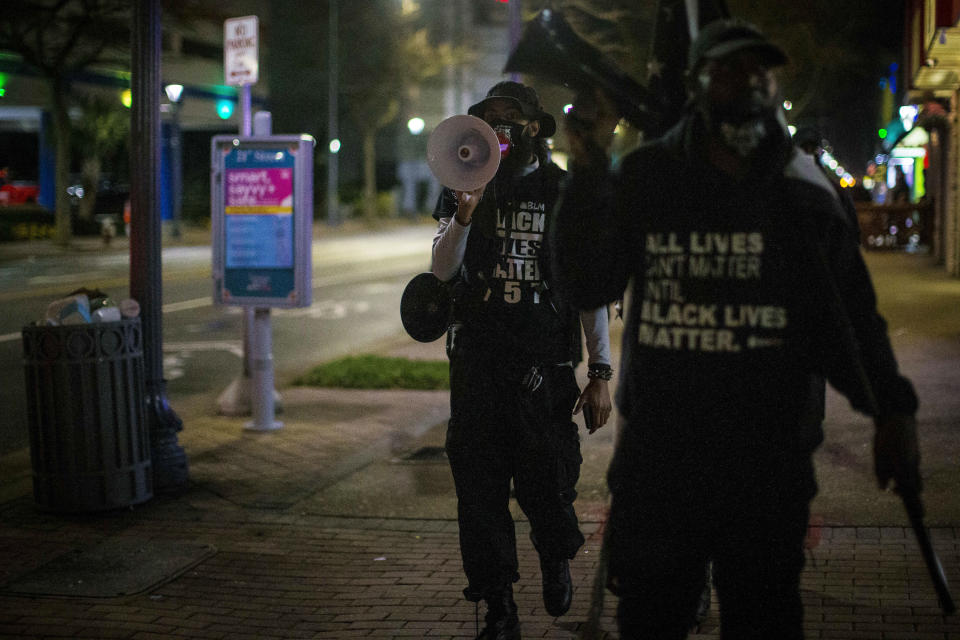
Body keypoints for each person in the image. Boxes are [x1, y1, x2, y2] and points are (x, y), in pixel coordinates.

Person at [551, 19, 920, 639]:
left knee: (765, 620)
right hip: (661, 468)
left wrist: (892, 410)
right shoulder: (647, 177)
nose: (747, 84)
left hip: (767, 469)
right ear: (696, 83)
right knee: (651, 621)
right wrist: (587, 173)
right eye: (728, 71)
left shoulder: (801, 189)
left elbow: (849, 318)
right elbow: (586, 285)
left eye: (760, 72)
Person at [431, 80, 613, 640]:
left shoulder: (565, 192)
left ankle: (555, 557)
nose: (498, 127)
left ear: (534, 128)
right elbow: (441, 272)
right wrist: (464, 215)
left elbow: (589, 290)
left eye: (508, 118)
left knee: (549, 484)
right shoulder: (462, 185)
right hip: (478, 367)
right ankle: (498, 607)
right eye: (488, 117)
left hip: (545, 371)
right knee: (480, 496)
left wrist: (600, 372)